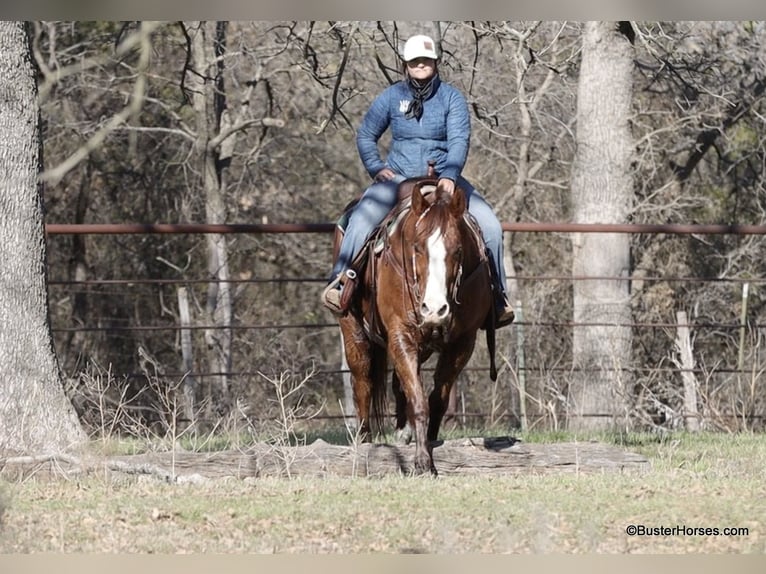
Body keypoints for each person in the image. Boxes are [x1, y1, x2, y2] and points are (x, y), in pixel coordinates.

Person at [321, 34, 514, 328]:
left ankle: (498, 297)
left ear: (435, 63)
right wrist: (376, 167)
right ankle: (341, 282)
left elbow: (460, 140)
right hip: (398, 178)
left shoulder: (452, 98)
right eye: (414, 61)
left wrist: (450, 176)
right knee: (359, 219)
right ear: (405, 65)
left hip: (445, 179)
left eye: (426, 60)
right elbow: (366, 135)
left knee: (491, 225)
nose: (420, 65)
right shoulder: (391, 96)